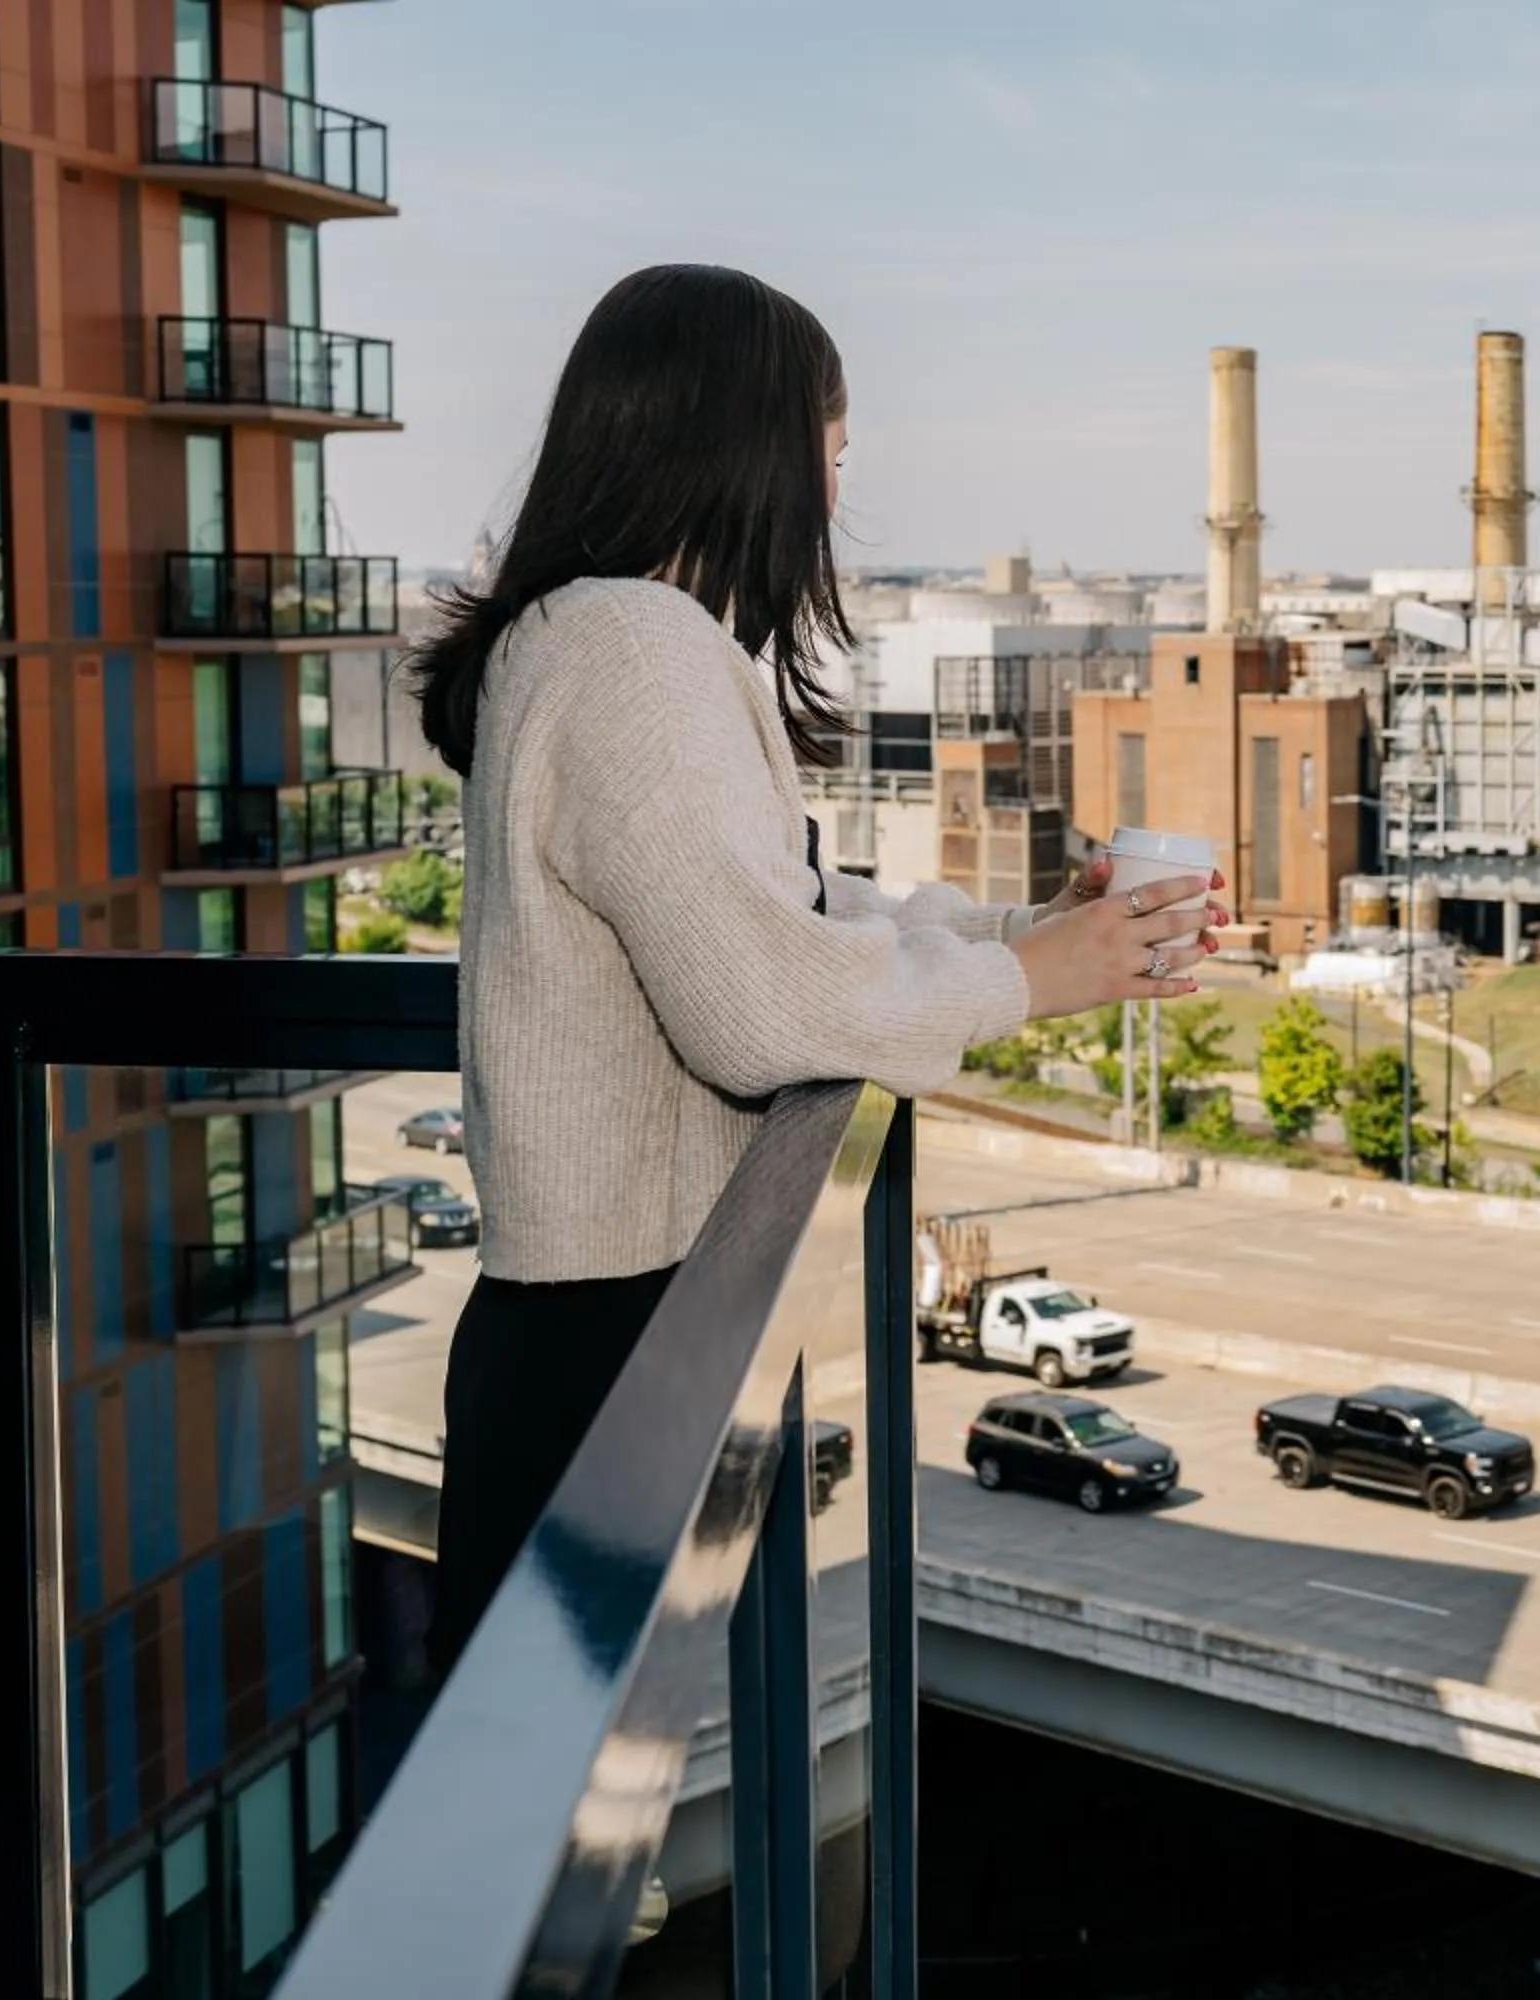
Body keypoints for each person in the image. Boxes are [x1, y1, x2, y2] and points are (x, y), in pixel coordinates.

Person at [404, 264, 1220, 1675]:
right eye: (830, 457)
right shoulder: (631, 653)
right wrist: (1033, 982)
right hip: (619, 1339)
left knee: (557, 1818)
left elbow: (789, 903)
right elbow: (761, 1008)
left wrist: (1026, 937)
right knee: (559, 1835)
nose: (835, 502)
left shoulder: (593, 636)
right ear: (750, 453)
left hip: (583, 1332)